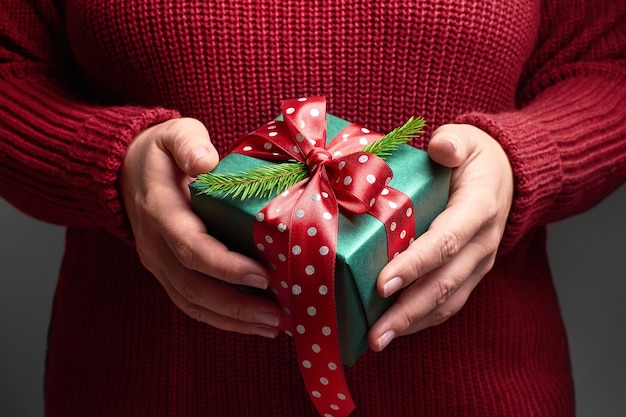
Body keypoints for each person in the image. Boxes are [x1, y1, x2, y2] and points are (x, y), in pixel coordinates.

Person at [1, 1, 625, 416]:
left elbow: (608, 63)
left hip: (481, 390)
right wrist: (113, 167)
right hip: (145, 388)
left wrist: (525, 161)